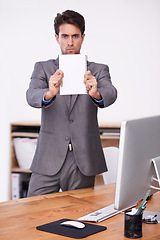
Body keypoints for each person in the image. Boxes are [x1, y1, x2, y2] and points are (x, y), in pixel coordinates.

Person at [26, 10, 117, 197]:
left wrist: (96, 92)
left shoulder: (98, 70)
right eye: (65, 36)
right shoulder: (43, 68)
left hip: (82, 158)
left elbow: (111, 93)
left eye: (75, 36)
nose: (69, 42)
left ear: (83, 38)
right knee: (32, 212)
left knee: (78, 217)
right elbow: (31, 95)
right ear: (56, 37)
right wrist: (49, 92)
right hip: (48, 156)